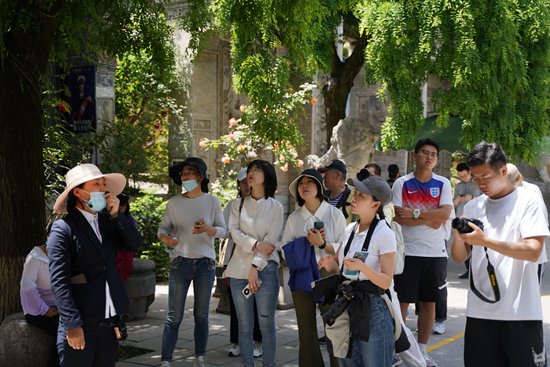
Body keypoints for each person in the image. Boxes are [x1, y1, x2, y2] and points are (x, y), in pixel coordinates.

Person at [451, 142, 549, 367]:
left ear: (503, 171)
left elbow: (534, 250)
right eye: (475, 178)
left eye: (485, 176)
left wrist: (485, 241)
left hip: (520, 314)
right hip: (479, 313)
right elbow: (458, 257)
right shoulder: (473, 207)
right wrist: (459, 233)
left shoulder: (528, 201)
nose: (480, 183)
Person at [47, 163, 143, 367]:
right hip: (81, 322)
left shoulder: (108, 222)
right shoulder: (63, 229)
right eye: (96, 184)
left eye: (103, 184)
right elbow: (59, 281)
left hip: (109, 321)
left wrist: (118, 215)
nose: (103, 189)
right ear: (78, 192)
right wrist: (72, 325)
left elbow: (134, 243)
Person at [318, 176, 396, 367]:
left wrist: (363, 268)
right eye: (356, 193)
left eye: (361, 195)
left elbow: (386, 281)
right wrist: (328, 264)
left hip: (374, 308)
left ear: (375, 204)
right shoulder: (350, 229)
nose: (355, 198)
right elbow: (339, 267)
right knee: (347, 361)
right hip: (347, 303)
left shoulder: (384, 234)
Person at [158, 157, 226, 367]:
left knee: (201, 316)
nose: (184, 176)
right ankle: (166, 360)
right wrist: (166, 239)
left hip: (205, 265)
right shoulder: (174, 202)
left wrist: (208, 229)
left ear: (200, 177)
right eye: (182, 174)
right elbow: (163, 228)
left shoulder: (212, 201)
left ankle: (200, 357)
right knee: (174, 317)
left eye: (189, 173)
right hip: (180, 263)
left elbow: (224, 231)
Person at [392, 138, 453, 367]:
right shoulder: (402, 184)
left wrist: (415, 214)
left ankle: (422, 351)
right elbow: (398, 217)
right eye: (425, 153)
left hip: (436, 253)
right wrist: (430, 215)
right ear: (415, 155)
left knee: (429, 304)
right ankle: (399, 350)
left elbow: (445, 214)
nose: (429, 157)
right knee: (402, 304)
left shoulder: (443, 183)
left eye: (433, 154)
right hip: (408, 252)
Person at [282, 169, 347, 367]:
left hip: (329, 273)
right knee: (306, 330)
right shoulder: (294, 218)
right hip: (302, 275)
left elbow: (345, 249)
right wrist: (305, 243)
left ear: (319, 187)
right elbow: (285, 249)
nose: (305, 185)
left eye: (310, 182)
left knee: (334, 327)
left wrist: (322, 244)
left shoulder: (334, 214)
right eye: (301, 183)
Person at [224, 160, 284, 367]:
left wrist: (255, 267)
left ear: (267, 176)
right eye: (250, 170)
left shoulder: (276, 207)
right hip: (238, 271)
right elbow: (235, 233)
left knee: (266, 322)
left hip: (265, 270)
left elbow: (271, 241)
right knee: (244, 325)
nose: (251, 173)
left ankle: (269, 364)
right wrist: (256, 243)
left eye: (257, 170)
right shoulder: (237, 204)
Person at [222, 168, 263, 358]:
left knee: (256, 303)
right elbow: (224, 232)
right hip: (236, 259)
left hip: (257, 259)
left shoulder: (264, 204)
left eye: (250, 181)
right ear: (238, 184)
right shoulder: (233, 205)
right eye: (243, 182)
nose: (247, 185)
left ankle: (257, 342)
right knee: (236, 303)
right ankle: (236, 341)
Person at [505, 163, 548, 281]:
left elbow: (542, 222)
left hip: (530, 254)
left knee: (531, 293)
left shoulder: (531, 191)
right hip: (511, 255)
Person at [20, 244, 60, 367]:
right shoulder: (35, 257)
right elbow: (27, 289)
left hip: (60, 306)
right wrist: (45, 310)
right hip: (37, 310)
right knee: (65, 331)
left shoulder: (64, 254)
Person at [453, 163, 482, 280]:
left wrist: (471, 198)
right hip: (462, 217)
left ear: (470, 172)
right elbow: (453, 204)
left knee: (475, 244)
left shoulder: (478, 183)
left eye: (465, 175)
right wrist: (459, 199)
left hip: (475, 217)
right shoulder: (458, 186)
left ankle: (477, 268)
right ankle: (468, 269)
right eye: (461, 176)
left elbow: (484, 199)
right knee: (464, 244)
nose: (463, 178)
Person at [115, 193, 136, 282]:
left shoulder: (128, 219)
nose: (121, 207)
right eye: (119, 205)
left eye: (123, 205)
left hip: (125, 253)